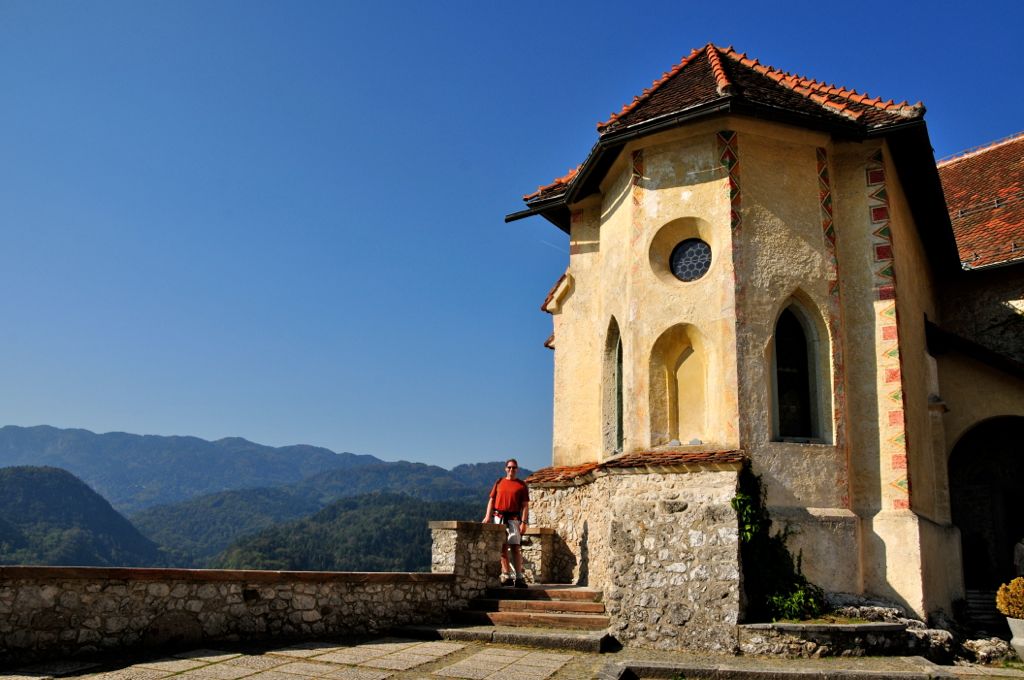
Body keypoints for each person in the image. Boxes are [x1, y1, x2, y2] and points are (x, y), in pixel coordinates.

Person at [482, 458, 530, 588]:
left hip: (514, 518)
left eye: (514, 467)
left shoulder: (521, 485)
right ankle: (507, 575)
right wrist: (487, 516)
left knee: (515, 547)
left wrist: (524, 522)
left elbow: (525, 506)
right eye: (509, 467)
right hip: (499, 517)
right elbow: (491, 500)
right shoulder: (499, 482)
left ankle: (519, 577)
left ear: (517, 469)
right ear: (505, 469)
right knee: (502, 548)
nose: (511, 470)